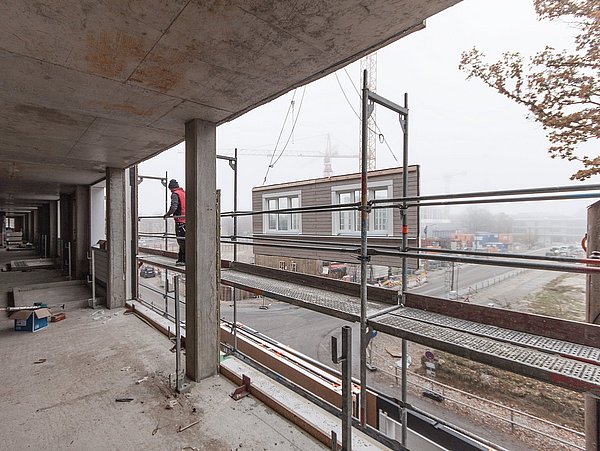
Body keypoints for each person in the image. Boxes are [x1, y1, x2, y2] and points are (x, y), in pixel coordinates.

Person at [163, 179, 186, 266]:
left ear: (171, 188)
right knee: (183, 241)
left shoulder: (175, 194)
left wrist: (167, 214)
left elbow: (174, 207)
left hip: (180, 220)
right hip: (186, 220)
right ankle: (181, 259)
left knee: (181, 241)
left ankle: (184, 260)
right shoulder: (183, 193)